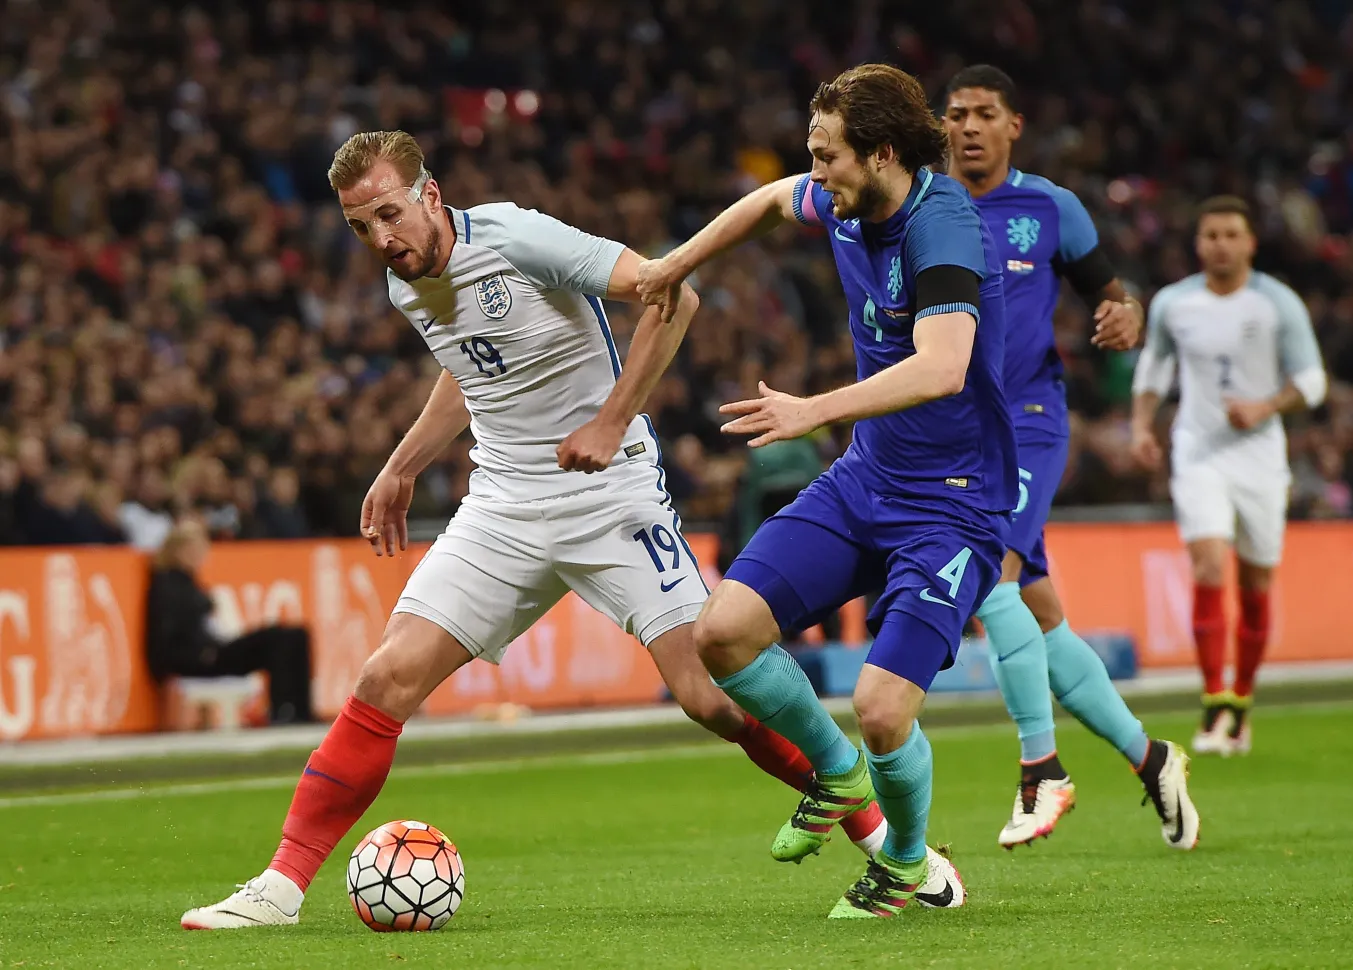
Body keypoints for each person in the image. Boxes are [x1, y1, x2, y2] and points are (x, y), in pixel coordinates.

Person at [180, 129, 911, 931]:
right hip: (503, 504)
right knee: (385, 679)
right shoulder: (406, 281)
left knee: (710, 697)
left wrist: (611, 418)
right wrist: (403, 463)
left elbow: (676, 296)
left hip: (611, 494)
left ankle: (895, 850)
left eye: (389, 214)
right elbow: (473, 371)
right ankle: (279, 888)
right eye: (360, 227)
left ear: (430, 194)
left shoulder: (520, 237)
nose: (381, 240)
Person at [637, 62, 1038, 918]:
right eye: (811, 154)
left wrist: (811, 409)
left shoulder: (946, 228)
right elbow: (768, 202)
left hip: (954, 505)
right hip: (868, 479)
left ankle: (902, 861)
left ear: (882, 153)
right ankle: (836, 769)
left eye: (827, 157)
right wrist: (675, 264)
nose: (813, 174)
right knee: (724, 633)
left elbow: (944, 365)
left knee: (883, 709)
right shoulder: (845, 198)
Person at [941, 64, 1199, 849]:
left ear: (1014, 124)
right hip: (954, 430)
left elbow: (1112, 293)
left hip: (1028, 421)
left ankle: (1039, 770)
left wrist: (1126, 316)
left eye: (985, 113)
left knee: (990, 582)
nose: (969, 127)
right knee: (1038, 616)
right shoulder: (926, 205)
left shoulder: (1051, 208)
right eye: (956, 114)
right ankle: (1150, 758)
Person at [1131, 195, 1327, 756]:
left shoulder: (1276, 303)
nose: (1220, 244)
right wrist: (1143, 425)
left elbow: (1313, 380)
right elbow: (1155, 368)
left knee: (1257, 584)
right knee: (1209, 561)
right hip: (1198, 451)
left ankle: (1241, 700)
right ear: (1198, 244)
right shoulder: (1174, 303)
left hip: (1261, 454)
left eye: (1230, 235)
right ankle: (1215, 698)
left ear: (1250, 243)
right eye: (1210, 234)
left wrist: (1266, 406)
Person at [145, 517, 313, 725]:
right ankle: (283, 711)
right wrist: (198, 654)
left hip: (213, 649)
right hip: (201, 659)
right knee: (276, 640)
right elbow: (166, 639)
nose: (200, 554)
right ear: (177, 550)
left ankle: (302, 709)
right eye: (194, 548)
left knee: (297, 634)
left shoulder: (186, 582)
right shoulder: (167, 585)